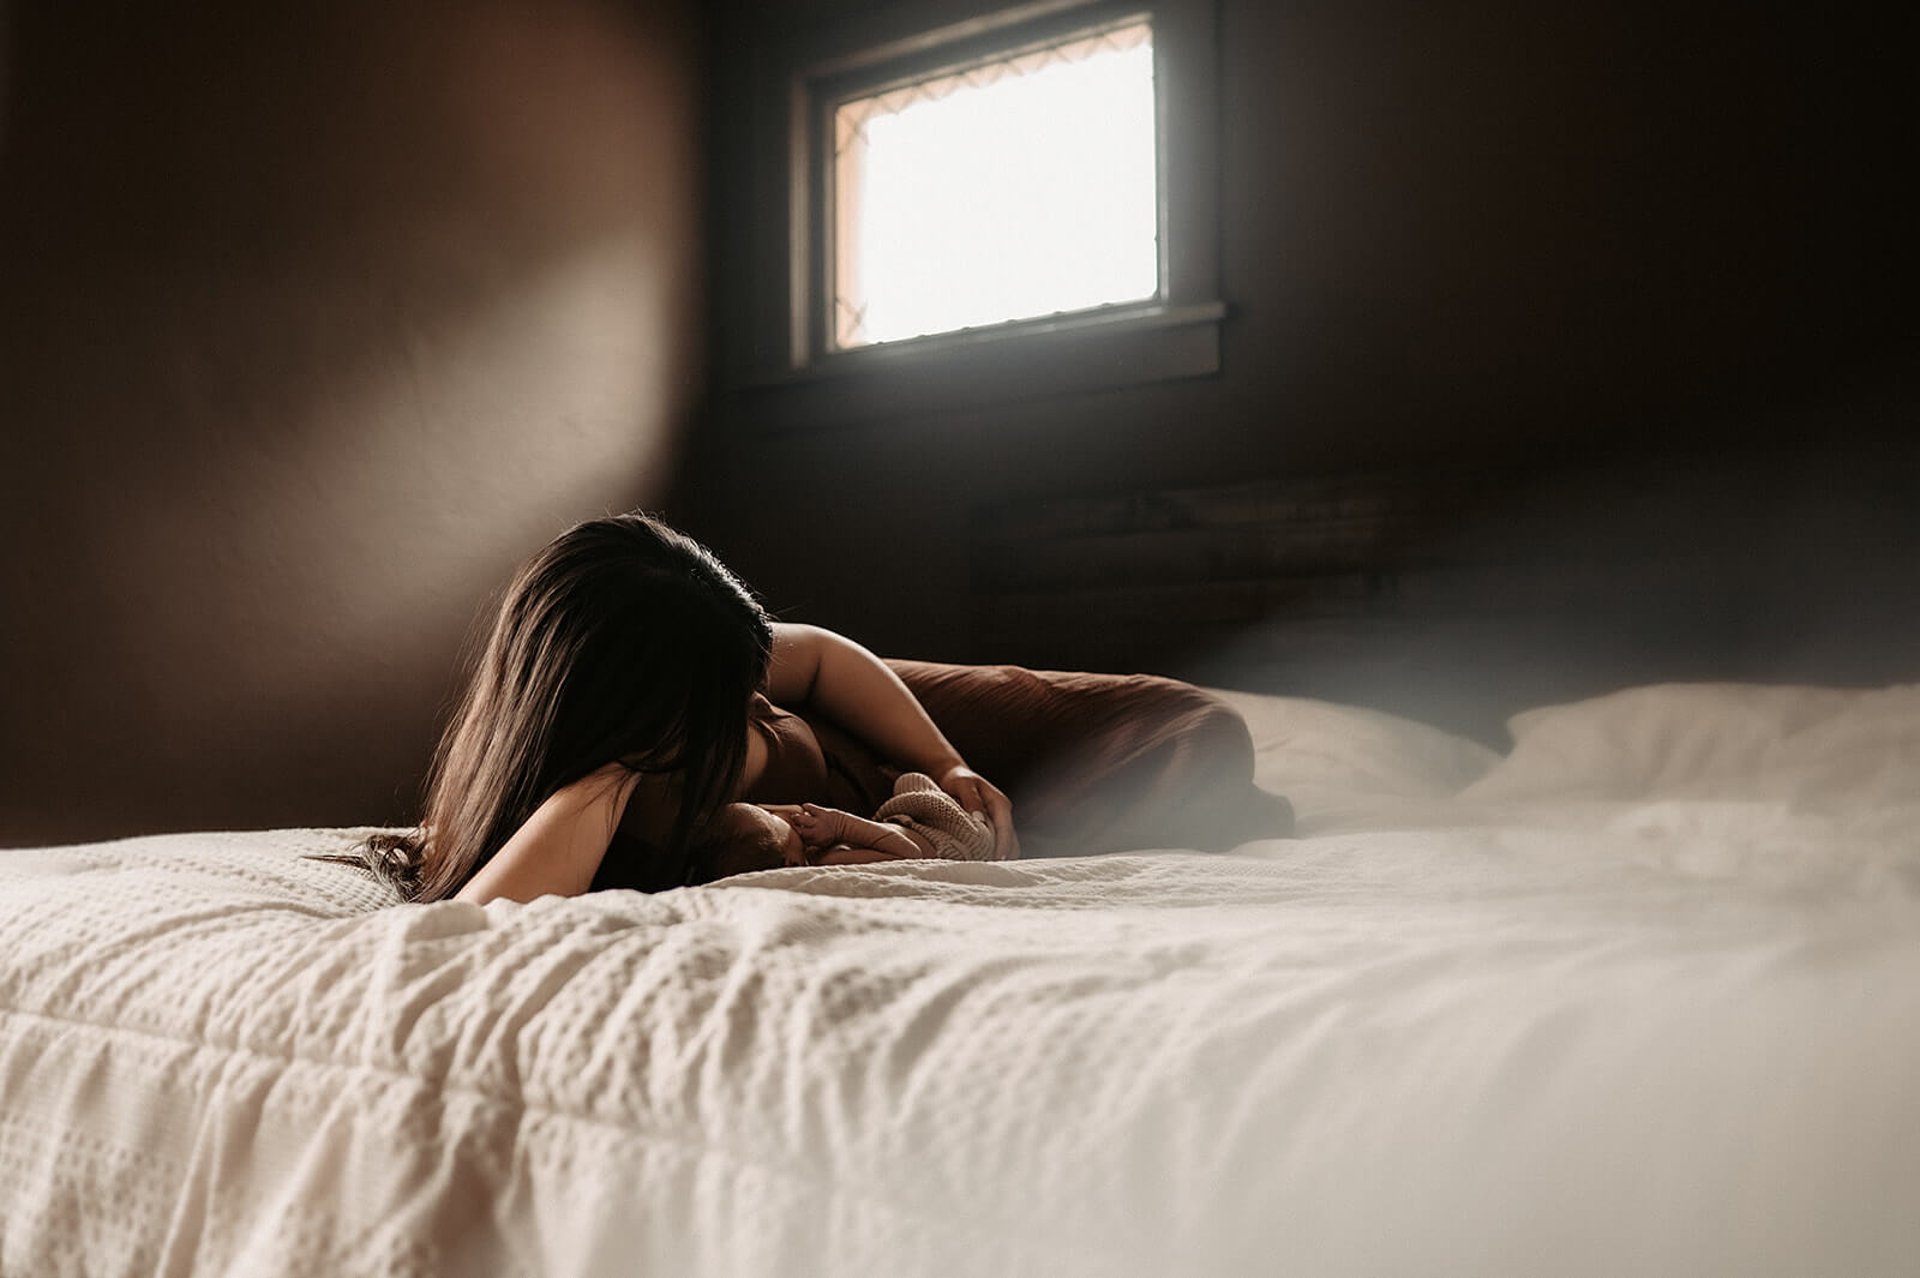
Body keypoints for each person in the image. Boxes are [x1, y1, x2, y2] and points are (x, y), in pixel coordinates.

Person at [359, 512, 1290, 906]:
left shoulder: (740, 680)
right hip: (851, 788)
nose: (760, 699)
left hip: (894, 719)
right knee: (1189, 774)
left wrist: (953, 762)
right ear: (636, 726)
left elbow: (823, 658)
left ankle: (1021, 818)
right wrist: (607, 778)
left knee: (1196, 733)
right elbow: (481, 917)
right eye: (733, 702)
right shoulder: (603, 790)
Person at [689, 772, 998, 882]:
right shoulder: (828, 862)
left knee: (910, 784)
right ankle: (983, 824)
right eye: (774, 821)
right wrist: (841, 824)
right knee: (914, 783)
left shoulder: (800, 850)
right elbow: (911, 854)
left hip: (904, 825)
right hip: (950, 845)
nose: (779, 814)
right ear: (791, 863)